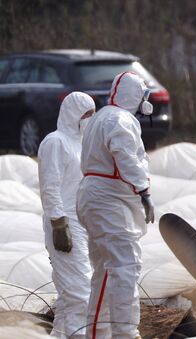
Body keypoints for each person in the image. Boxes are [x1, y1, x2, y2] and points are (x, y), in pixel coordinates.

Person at [77, 72, 155, 339]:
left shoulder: (101, 117)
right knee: (125, 267)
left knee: (105, 271)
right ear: (136, 96)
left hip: (94, 197)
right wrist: (143, 191)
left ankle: (97, 333)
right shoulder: (120, 119)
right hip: (110, 201)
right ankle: (126, 334)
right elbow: (124, 156)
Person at [38, 92, 95, 339]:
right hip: (64, 225)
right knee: (81, 293)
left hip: (82, 224)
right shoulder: (55, 142)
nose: (89, 119)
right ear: (72, 114)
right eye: (85, 114)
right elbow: (50, 186)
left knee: (68, 296)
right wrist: (58, 223)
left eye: (92, 114)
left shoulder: (83, 144)